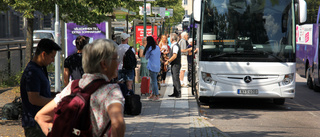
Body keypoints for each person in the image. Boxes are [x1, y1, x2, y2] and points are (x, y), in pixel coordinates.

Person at [35, 39, 126, 137]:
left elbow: (41, 117)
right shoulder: (111, 90)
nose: (119, 62)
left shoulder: (73, 86)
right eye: (116, 58)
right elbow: (117, 124)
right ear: (104, 64)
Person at [20, 38, 61, 137]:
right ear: (43, 54)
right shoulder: (33, 72)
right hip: (34, 124)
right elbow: (34, 99)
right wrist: (56, 102)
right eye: (52, 57)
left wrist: (59, 96)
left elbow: (43, 93)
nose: (52, 61)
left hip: (39, 121)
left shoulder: (40, 69)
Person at [144, 36, 161, 101]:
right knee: (153, 80)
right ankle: (153, 94)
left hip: (152, 66)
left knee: (154, 81)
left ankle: (156, 95)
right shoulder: (157, 47)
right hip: (157, 66)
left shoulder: (150, 48)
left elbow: (146, 57)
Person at [164, 33, 181, 98]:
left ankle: (178, 92)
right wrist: (168, 58)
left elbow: (174, 56)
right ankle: (175, 92)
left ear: (171, 39)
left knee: (176, 78)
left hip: (176, 64)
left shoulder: (175, 46)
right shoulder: (174, 45)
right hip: (174, 64)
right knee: (174, 78)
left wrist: (168, 61)